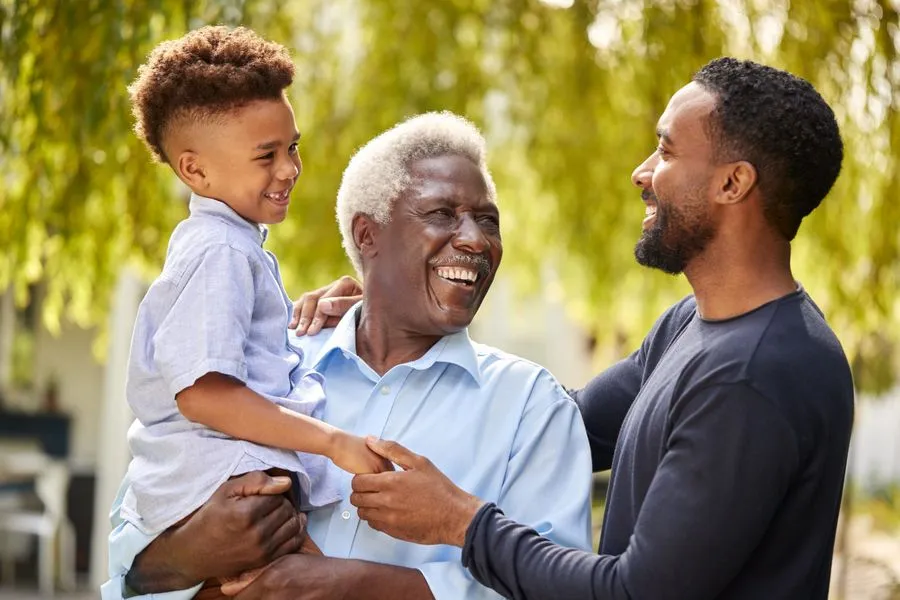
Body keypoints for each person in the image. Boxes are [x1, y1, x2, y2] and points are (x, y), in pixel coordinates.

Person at [311, 57, 855, 599]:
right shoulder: (690, 326)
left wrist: (463, 523)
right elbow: (556, 422)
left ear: (733, 183)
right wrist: (386, 302)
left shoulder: (756, 376)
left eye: (666, 151)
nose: (642, 173)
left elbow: (633, 592)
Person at [112, 111, 594, 599]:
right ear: (367, 235)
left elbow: (558, 590)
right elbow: (125, 567)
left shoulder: (532, 408)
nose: (475, 239)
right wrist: (185, 556)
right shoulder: (266, 368)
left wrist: (360, 588)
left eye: (487, 220)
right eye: (442, 215)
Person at [102, 25, 390, 600]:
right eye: (267, 155)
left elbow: (236, 350)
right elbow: (203, 391)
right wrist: (332, 442)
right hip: (221, 474)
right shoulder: (221, 250)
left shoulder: (225, 245)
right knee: (313, 579)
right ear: (195, 171)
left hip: (217, 471)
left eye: (293, 147)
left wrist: (296, 322)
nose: (289, 168)